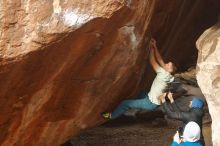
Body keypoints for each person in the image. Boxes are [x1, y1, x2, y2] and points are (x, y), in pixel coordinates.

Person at [101, 38, 176, 119]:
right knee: (141, 93)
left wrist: (151, 48)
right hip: (151, 98)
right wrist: (155, 46)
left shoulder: (163, 74)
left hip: (150, 103)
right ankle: (134, 106)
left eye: (168, 64)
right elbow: (160, 59)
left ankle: (111, 116)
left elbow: (152, 61)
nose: (166, 63)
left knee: (125, 103)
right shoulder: (170, 76)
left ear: (169, 70)